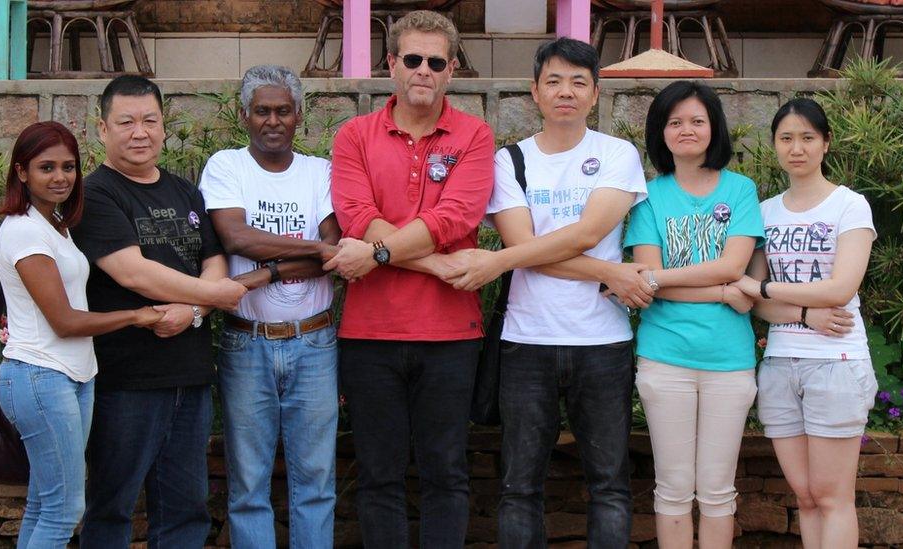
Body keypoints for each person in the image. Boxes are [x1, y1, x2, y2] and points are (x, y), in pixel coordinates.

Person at [442, 38, 650, 548]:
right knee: (518, 487)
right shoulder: (508, 160)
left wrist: (496, 263)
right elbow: (524, 245)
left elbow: (578, 235)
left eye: (579, 82)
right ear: (534, 92)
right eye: (554, 81)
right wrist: (611, 271)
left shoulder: (616, 154)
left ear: (595, 93)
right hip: (526, 341)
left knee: (609, 486)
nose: (566, 92)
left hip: (602, 342)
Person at [324, 10, 495, 548]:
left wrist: (375, 253)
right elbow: (356, 215)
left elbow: (456, 220)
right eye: (413, 59)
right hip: (370, 334)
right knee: (378, 476)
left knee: (446, 473)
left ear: (452, 69)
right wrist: (431, 260)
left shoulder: (475, 135)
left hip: (450, 335)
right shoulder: (354, 135)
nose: (424, 70)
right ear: (392, 63)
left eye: (436, 61)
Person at [72, 75, 247, 548]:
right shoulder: (96, 194)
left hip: (188, 375)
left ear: (164, 127)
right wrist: (215, 297)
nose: (139, 132)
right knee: (111, 506)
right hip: (124, 380)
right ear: (102, 129)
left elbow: (214, 260)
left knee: (185, 510)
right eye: (125, 122)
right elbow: (133, 272)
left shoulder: (185, 191)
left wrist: (192, 309)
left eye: (150, 120)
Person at [0, 121, 164, 548]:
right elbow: (65, 321)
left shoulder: (55, 226)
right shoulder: (25, 231)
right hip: (40, 376)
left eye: (68, 167)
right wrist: (136, 315)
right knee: (63, 510)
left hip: (71, 376)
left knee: (43, 503)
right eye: (45, 167)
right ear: (21, 172)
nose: (60, 178)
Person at [198, 64, 341, 549]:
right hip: (246, 343)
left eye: (283, 110)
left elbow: (332, 256)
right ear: (245, 116)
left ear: (299, 116)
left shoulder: (320, 172)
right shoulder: (226, 166)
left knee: (316, 482)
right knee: (248, 483)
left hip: (315, 341)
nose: (273, 120)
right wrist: (304, 254)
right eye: (262, 111)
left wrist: (261, 273)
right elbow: (235, 235)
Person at [622, 81, 764, 549]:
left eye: (697, 120)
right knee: (674, 488)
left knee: (719, 491)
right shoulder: (648, 196)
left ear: (714, 128)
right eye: (675, 121)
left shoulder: (741, 189)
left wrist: (665, 282)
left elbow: (731, 266)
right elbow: (651, 275)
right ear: (660, 132)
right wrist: (724, 294)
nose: (687, 129)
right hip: (666, 360)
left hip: (730, 361)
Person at [731, 98, 877, 549]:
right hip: (779, 365)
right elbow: (751, 301)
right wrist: (800, 311)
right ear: (774, 145)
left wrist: (770, 289)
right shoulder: (764, 211)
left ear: (825, 143)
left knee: (833, 497)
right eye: (786, 138)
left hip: (835, 363)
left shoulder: (849, 206)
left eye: (808, 138)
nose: (797, 148)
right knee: (807, 496)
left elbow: (840, 288)